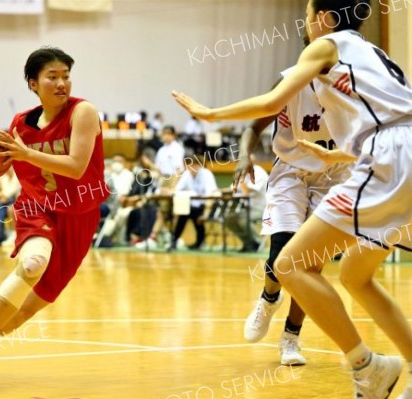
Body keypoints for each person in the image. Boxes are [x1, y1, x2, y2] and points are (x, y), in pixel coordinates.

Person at [173, 1, 412, 397]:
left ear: (325, 19)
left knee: (290, 264)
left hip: (388, 159)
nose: (304, 23)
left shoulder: (327, 45)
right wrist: (335, 155)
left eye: (307, 14)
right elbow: (392, 119)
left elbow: (269, 104)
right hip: (392, 156)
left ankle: (367, 366)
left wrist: (209, 113)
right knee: (355, 274)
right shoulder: (376, 55)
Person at [0, 47, 108, 376]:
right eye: (52, 77)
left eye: (66, 76)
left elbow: (75, 167)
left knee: (32, 306)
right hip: (37, 206)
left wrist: (26, 154)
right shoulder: (20, 124)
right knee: (33, 264)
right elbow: (15, 168)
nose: (61, 83)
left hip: (80, 214)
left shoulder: (83, 112)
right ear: (33, 83)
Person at [234, 35, 352, 366]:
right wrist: (245, 156)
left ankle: (290, 338)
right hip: (291, 172)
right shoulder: (290, 80)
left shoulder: (352, 86)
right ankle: (269, 297)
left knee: (310, 265)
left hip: (335, 176)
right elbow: (253, 126)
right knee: (283, 254)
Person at [168, 154, 219, 251]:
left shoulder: (206, 174)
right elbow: (176, 190)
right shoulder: (186, 174)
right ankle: (175, 241)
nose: (191, 168)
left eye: (193, 165)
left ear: (198, 165)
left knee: (190, 213)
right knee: (184, 213)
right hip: (192, 206)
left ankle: (180, 241)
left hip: (208, 206)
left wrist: (205, 214)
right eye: (188, 165)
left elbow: (210, 196)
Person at [225, 156, 269, 252]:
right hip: (246, 208)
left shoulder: (259, 173)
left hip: (262, 208)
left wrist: (241, 179)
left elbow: (246, 192)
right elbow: (232, 189)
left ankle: (257, 242)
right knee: (228, 219)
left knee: (242, 219)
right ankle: (248, 243)